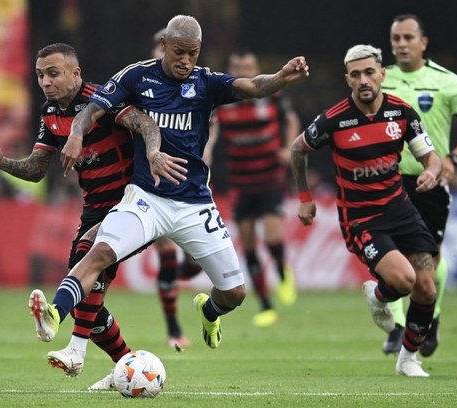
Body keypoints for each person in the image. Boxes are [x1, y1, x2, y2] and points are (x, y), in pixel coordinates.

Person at [29, 13, 308, 363]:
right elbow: (94, 108)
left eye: (193, 53)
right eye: (179, 52)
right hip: (147, 198)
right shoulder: (135, 75)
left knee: (234, 293)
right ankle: (54, 314)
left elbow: (253, 87)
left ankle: (209, 313)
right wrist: (75, 133)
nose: (186, 61)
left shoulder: (205, 82)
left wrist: (282, 77)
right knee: (98, 252)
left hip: (194, 204)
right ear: (164, 46)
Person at [0, 43, 182, 387]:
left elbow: (145, 124)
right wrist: (3, 164)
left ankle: (76, 349)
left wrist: (153, 152)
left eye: (53, 73)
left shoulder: (103, 100)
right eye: (40, 74)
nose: (45, 81)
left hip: (133, 204)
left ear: (76, 73)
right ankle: (129, 368)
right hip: (94, 209)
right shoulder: (49, 114)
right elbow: (36, 169)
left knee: (89, 265)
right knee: (82, 295)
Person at [289, 44, 440, 377]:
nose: (363, 80)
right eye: (355, 75)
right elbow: (297, 149)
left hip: (401, 209)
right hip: (361, 218)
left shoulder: (401, 113)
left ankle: (408, 359)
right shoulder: (334, 119)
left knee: (427, 287)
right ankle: (379, 294)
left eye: (370, 72)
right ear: (348, 79)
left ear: (382, 74)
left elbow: (430, 157)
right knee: (404, 280)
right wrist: (304, 196)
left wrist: (431, 170)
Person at [381, 14, 457, 356]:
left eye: (408, 37)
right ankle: (398, 327)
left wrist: (452, 159)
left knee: (429, 259)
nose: (401, 44)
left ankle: (432, 317)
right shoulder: (381, 80)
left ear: (423, 42)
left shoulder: (448, 82)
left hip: (431, 183)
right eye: (396, 38)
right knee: (392, 255)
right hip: (391, 181)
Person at [204, 51, 299, 327]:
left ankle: (282, 271)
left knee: (271, 240)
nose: (243, 71)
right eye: (237, 67)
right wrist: (208, 150)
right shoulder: (224, 98)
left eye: (248, 67)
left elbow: (291, 120)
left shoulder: (272, 94)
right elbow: (213, 129)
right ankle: (266, 304)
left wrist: (288, 148)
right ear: (231, 69)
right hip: (241, 182)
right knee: (248, 246)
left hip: (270, 179)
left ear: (256, 68)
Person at [148, 27, 203, 349]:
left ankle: (172, 281)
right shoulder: (142, 84)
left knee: (195, 263)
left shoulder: (198, 87)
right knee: (168, 258)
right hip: (155, 185)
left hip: (193, 185)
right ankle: (173, 329)